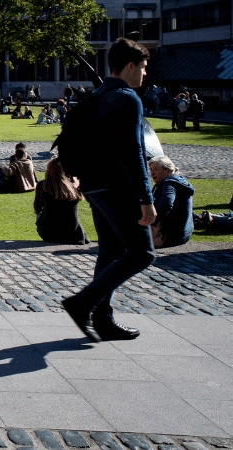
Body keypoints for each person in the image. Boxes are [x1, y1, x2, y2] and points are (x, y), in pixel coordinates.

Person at [61, 37, 157, 343]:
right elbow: (134, 153)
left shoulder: (99, 94)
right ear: (129, 66)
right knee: (142, 253)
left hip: (93, 185)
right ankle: (83, 303)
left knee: (111, 251)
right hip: (118, 186)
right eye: (142, 68)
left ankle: (103, 319)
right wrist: (146, 199)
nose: (144, 74)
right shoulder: (128, 98)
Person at [34, 159, 90, 244]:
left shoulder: (43, 185)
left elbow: (37, 207)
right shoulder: (73, 186)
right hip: (72, 231)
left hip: (49, 232)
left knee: (40, 214)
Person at [148, 156, 193, 248]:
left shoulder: (169, 184)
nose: (152, 173)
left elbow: (166, 205)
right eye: (151, 170)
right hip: (183, 233)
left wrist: (150, 221)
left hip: (170, 235)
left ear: (168, 171)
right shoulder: (178, 181)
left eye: (156, 170)